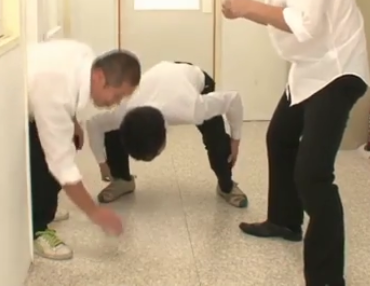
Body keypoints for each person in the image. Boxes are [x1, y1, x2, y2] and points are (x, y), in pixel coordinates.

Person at [213, 0, 370, 286]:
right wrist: (251, 9)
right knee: (280, 137)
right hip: (308, 69)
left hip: (336, 70)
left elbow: (304, 22)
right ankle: (285, 221)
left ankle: (326, 279)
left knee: (313, 175)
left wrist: (247, 7)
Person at [27, 39, 142, 260]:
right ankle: (37, 227)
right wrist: (95, 212)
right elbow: (61, 165)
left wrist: (73, 121)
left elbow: (63, 94)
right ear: (99, 77)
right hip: (5, 106)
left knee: (69, 139)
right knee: (45, 158)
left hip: (38, 97)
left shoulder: (85, 56)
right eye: (117, 95)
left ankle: (45, 206)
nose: (115, 103)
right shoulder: (57, 89)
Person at [85, 60, 248, 208]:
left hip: (193, 78)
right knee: (112, 130)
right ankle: (122, 180)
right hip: (159, 79)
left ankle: (226, 186)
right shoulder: (123, 112)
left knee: (217, 140)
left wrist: (236, 140)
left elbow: (232, 99)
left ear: (165, 138)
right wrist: (102, 163)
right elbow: (94, 124)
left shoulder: (193, 108)